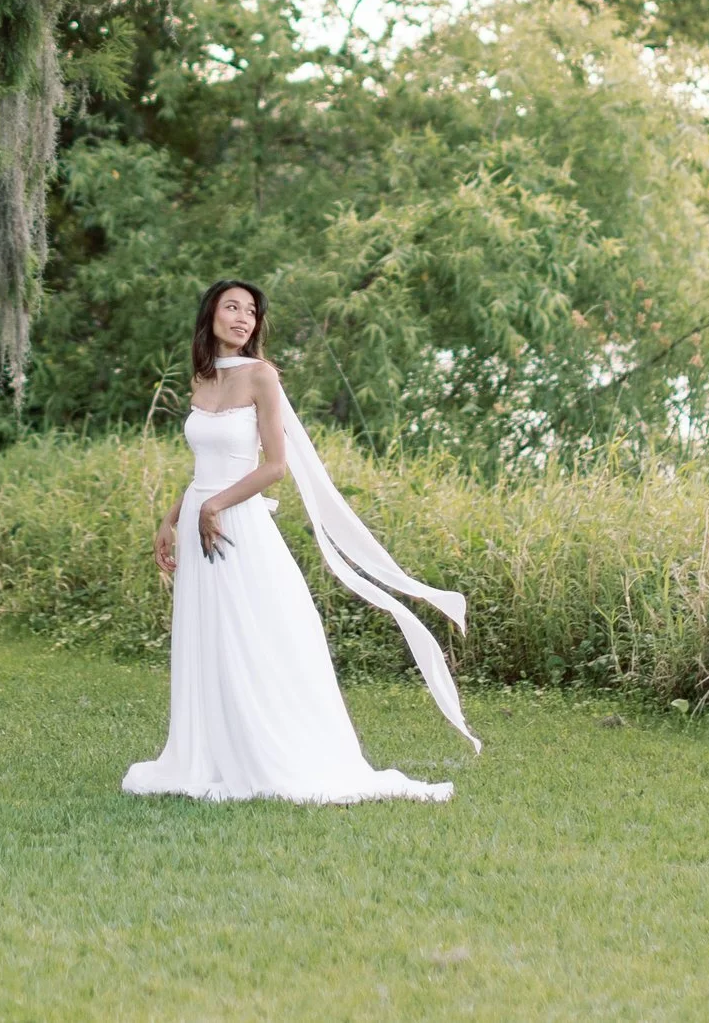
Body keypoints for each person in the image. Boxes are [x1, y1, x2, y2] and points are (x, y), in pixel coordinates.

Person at [122, 278, 479, 803]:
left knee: (257, 636)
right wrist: (172, 516)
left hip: (235, 528)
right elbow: (207, 468)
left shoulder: (261, 376)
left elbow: (274, 467)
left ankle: (271, 751)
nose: (243, 318)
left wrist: (216, 506)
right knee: (210, 639)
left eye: (251, 312)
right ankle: (210, 754)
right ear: (211, 316)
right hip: (200, 521)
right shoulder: (201, 379)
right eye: (232, 307)